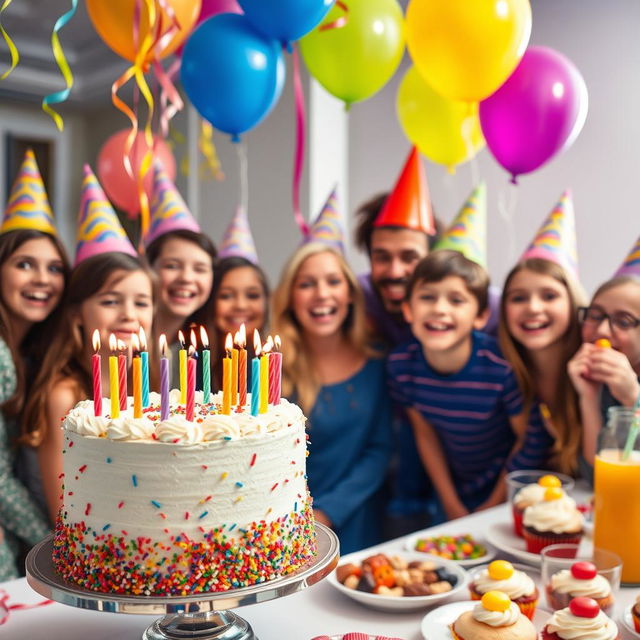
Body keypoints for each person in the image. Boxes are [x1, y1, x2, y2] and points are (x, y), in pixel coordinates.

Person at [21, 165, 154, 522]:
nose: (129, 314)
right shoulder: (64, 396)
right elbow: (64, 509)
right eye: (110, 301)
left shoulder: (149, 388)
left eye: (141, 302)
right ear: (77, 313)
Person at [387, 250, 550, 520]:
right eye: (427, 297)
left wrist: (494, 503)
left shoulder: (501, 367)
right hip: (452, 491)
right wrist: (449, 500)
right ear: (407, 309)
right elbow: (425, 435)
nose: (440, 308)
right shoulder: (401, 366)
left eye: (456, 300)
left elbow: (529, 439)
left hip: (509, 492)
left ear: (481, 316)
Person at [272, 239, 391, 554]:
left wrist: (327, 513)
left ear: (350, 294)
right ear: (290, 299)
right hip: (283, 525)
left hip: (355, 519)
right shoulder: (272, 371)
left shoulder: (378, 361)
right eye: (307, 284)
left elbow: (379, 451)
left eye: (333, 281)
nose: (322, 294)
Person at [0, 149, 70, 579]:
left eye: (55, 268)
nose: (43, 279)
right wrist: (51, 546)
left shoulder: (30, 354)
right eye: (25, 264)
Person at [500, 191, 586, 475]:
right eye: (518, 298)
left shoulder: (594, 373)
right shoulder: (502, 372)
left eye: (549, 296)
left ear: (573, 303)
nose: (533, 308)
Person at [144, 163, 216, 372]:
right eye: (172, 266)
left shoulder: (208, 350)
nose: (186, 278)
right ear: (148, 268)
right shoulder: (126, 347)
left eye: (200, 269)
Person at [568, 272, 640, 472]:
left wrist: (633, 398)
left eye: (623, 322)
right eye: (594, 316)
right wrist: (589, 397)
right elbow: (597, 476)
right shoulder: (599, 383)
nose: (602, 331)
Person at [211, 207, 268, 388]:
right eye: (226, 295)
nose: (241, 305)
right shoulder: (189, 364)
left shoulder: (280, 367)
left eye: (252, 295)